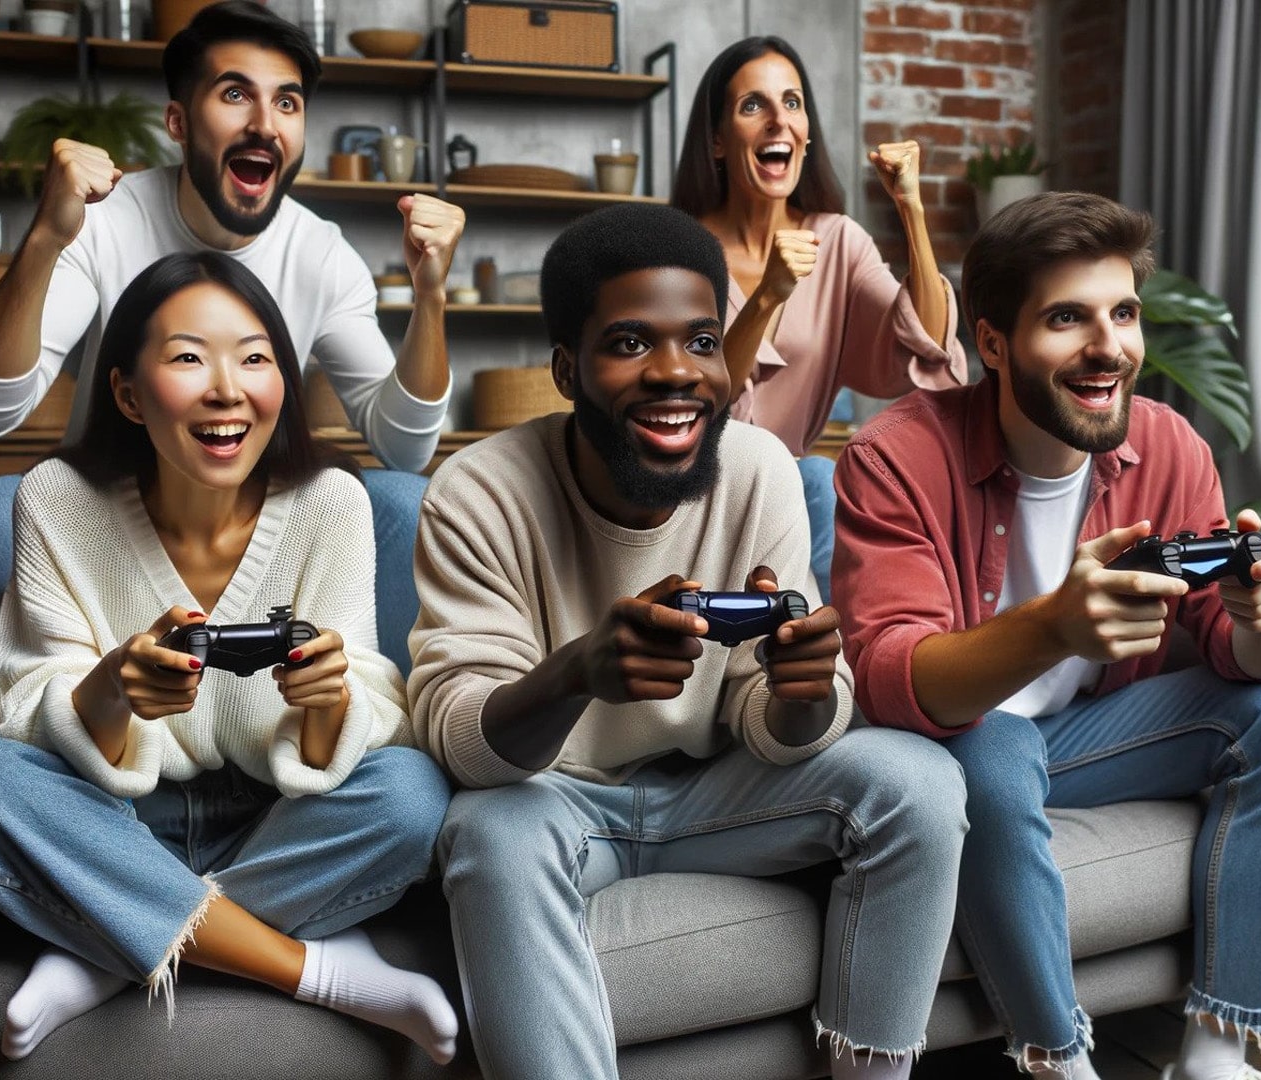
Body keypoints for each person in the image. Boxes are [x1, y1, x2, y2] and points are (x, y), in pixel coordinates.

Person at [409, 204, 968, 1080]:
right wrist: (577, 674)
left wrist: (804, 690)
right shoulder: (478, 492)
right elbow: (464, 746)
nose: (676, 373)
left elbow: (776, 723)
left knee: (920, 782)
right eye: (630, 343)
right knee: (490, 832)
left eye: (702, 342)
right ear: (567, 369)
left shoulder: (758, 470)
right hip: (558, 804)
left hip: (720, 796)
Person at [833, 192, 1261, 1080]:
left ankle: (1215, 1053)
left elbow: (1236, 652)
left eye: (1123, 314)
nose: (1110, 348)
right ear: (991, 343)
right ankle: (1059, 1059)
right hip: (963, 749)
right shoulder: (895, 457)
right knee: (990, 752)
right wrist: (1054, 625)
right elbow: (891, 679)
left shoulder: (1169, 447)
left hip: (1091, 739)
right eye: (1068, 318)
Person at [0, 251, 457, 1065]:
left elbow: (371, 713)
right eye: (188, 357)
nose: (227, 388)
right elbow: (23, 704)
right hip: (112, 820)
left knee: (414, 794)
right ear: (127, 393)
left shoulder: (331, 503)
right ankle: (314, 968)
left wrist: (328, 699)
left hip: (277, 821)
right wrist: (112, 690)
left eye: (256, 358)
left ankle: (113, 943)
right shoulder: (57, 501)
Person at [0, 0, 462, 610]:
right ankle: (139, 636)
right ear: (179, 121)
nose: (266, 124)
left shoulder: (321, 252)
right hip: (115, 515)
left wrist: (430, 295)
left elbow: (406, 449)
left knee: (407, 499)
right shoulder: (102, 223)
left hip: (262, 525)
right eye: (235, 94)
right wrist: (45, 240)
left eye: (287, 103)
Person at [671, 36, 967, 595]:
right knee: (812, 476)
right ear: (716, 140)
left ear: (806, 134)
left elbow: (927, 344)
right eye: (752, 105)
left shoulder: (837, 241)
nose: (778, 121)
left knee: (816, 477)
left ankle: (867, 660)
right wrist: (767, 297)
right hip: (689, 494)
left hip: (789, 500)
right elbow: (696, 402)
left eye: (793, 102)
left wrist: (912, 209)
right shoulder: (677, 250)